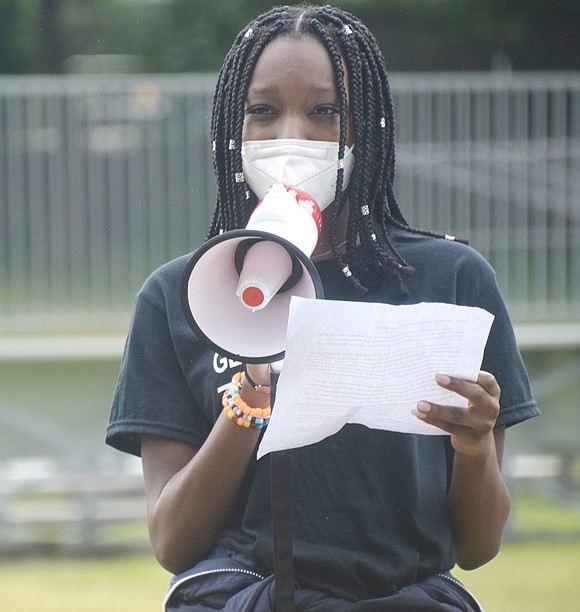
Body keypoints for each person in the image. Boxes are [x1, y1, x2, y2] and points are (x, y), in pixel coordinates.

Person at [106, 5, 539, 611]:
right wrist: (252, 394)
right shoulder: (179, 295)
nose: (293, 135)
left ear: (368, 128)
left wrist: (473, 449)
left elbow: (479, 545)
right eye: (263, 111)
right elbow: (174, 542)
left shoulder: (452, 279)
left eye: (324, 111)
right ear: (233, 127)